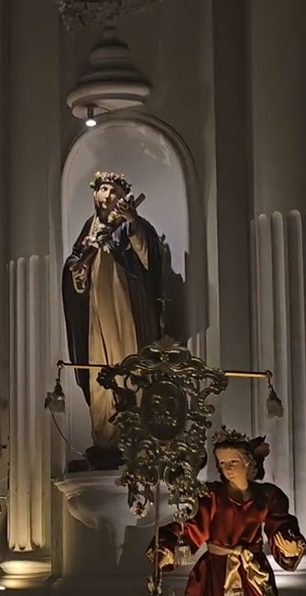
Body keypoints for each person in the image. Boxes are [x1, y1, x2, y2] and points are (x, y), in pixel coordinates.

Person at [147, 427, 306, 596]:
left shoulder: (267, 496)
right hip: (215, 578)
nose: (227, 468)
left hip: (252, 576)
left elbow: (280, 526)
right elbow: (190, 527)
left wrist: (289, 543)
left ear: (248, 462)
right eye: (222, 463)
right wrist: (167, 547)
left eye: (232, 461)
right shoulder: (212, 497)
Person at [61, 171, 175, 469]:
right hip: (96, 315)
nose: (107, 195)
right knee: (99, 374)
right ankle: (105, 439)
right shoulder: (89, 228)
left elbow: (148, 258)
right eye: (103, 189)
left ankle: (134, 435)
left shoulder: (129, 224)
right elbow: (75, 266)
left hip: (126, 311)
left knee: (129, 367)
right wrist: (78, 274)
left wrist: (132, 223)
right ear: (95, 194)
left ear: (124, 197)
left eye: (114, 191)